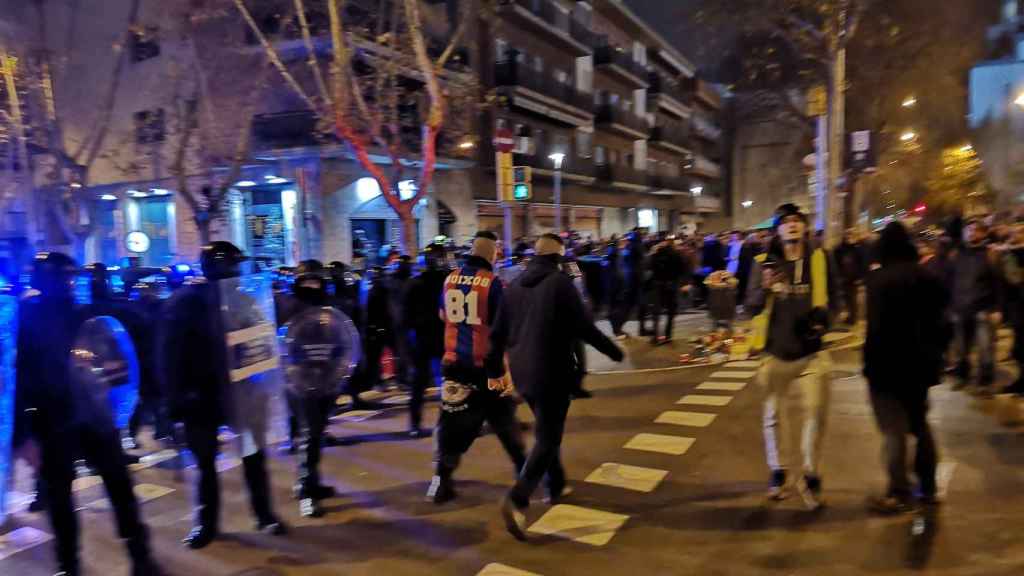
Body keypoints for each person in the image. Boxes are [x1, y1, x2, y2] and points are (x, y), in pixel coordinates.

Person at [15, 252, 161, 576]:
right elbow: (17, 380)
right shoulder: (26, 320)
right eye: (63, 277)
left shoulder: (84, 312)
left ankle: (139, 555)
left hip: (92, 415)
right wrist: (24, 435)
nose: (70, 283)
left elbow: (116, 343)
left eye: (72, 277)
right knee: (62, 498)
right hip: (52, 420)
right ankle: (70, 564)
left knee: (118, 488)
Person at [488, 233, 624, 540]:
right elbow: (583, 327)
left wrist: (495, 370)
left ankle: (556, 483)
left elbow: (497, 334)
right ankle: (518, 498)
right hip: (552, 371)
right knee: (549, 437)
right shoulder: (560, 283)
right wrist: (613, 351)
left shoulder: (514, 286)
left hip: (523, 373)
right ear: (558, 258)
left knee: (548, 430)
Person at [161, 241, 286, 549]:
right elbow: (169, 355)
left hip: (241, 392)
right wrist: (177, 401)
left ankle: (264, 514)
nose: (236, 270)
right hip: (200, 396)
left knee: (253, 457)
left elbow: (262, 342)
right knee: (205, 464)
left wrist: (265, 383)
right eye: (232, 264)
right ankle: (206, 523)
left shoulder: (244, 299)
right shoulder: (186, 303)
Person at [746, 204, 837, 510]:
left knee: (815, 413)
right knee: (773, 416)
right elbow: (750, 306)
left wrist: (825, 319)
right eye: (785, 222)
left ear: (805, 227)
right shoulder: (763, 263)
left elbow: (834, 299)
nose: (792, 225)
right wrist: (764, 289)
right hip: (775, 353)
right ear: (777, 230)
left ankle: (810, 476)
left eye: (797, 220)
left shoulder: (820, 259)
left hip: (812, 353)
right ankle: (779, 471)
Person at [428, 231, 527, 504]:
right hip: (487, 367)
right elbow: (502, 327)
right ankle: (525, 474)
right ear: (492, 255)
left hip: (454, 367)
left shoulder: (449, 279)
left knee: (450, 426)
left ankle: (439, 483)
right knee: (505, 421)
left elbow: (441, 315)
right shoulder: (492, 284)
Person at [863, 222, 949, 513]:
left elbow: (875, 329)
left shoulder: (878, 281)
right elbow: (943, 322)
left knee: (893, 431)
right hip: (920, 368)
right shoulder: (928, 277)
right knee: (920, 425)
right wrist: (936, 355)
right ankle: (928, 489)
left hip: (885, 368)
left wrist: (869, 366)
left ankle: (899, 492)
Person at [403, 243, 450, 437]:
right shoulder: (446, 281)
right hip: (434, 335)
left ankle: (416, 424)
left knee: (427, 383)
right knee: (445, 382)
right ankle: (440, 423)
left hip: (429, 336)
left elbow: (405, 316)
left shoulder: (420, 282)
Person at [951, 218, 1002, 392]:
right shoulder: (959, 254)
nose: (971, 233)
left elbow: (998, 283)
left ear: (984, 233)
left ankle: (986, 381)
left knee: (985, 348)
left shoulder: (990, 254)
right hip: (961, 308)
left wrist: (996, 309)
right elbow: (952, 281)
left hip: (982, 308)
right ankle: (962, 376)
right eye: (969, 230)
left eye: (975, 230)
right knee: (961, 349)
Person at [649, 236, 688, 344]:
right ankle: (668, 336)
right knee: (671, 311)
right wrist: (682, 282)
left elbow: (650, 267)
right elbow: (682, 269)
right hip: (672, 285)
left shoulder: (655, 254)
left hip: (658, 285)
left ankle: (656, 337)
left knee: (656, 312)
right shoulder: (676, 254)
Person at [1001, 222, 1024, 395]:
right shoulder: (1011, 253)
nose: (1014, 236)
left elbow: (1015, 278)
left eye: (1018, 233)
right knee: (1019, 348)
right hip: (1017, 307)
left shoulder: (1014, 254)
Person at [834, 229, 867, 326]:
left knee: (852, 299)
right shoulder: (840, 249)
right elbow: (837, 262)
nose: (849, 237)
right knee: (845, 299)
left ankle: (853, 318)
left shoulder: (857, 249)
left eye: (851, 235)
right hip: (844, 278)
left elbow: (861, 264)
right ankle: (849, 317)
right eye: (847, 235)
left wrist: (860, 277)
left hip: (853, 279)